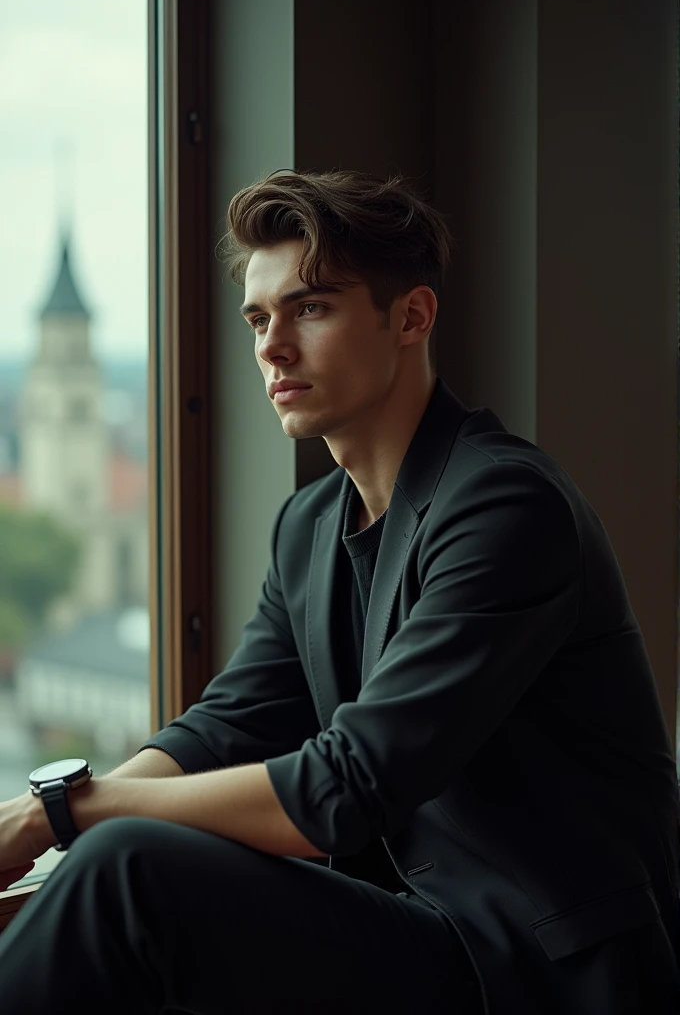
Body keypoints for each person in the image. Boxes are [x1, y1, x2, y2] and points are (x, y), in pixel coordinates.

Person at [0, 169, 678, 1014]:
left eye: (310, 307)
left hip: (539, 972)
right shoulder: (311, 523)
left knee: (125, 870)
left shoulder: (508, 505)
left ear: (412, 317)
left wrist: (58, 814)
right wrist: (49, 826)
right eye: (258, 317)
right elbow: (230, 724)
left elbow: (345, 787)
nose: (272, 346)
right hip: (417, 929)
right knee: (111, 871)